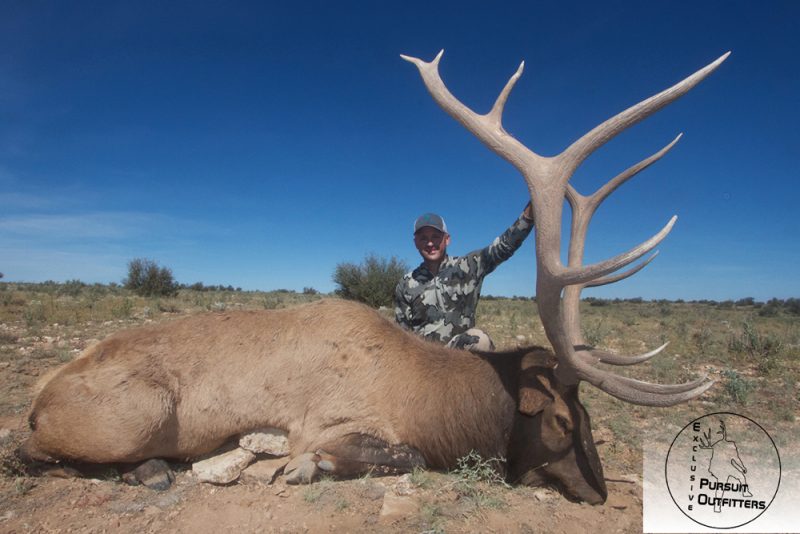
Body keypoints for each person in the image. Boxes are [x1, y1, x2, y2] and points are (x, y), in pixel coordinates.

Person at [395, 202, 534, 351]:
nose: (430, 243)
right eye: (423, 238)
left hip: (461, 360)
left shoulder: (469, 266)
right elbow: (402, 335)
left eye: (436, 237)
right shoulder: (405, 284)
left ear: (447, 239)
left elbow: (505, 246)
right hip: (424, 361)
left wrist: (530, 213)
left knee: (479, 339)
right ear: (415, 243)